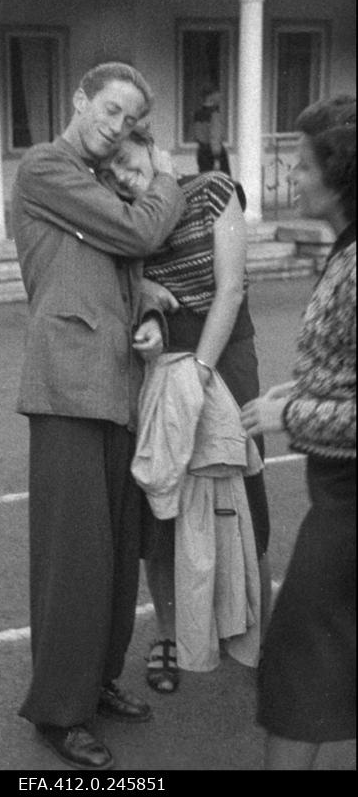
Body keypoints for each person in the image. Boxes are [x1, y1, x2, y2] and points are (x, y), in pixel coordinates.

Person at [12, 62, 186, 771]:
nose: (116, 126)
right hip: (65, 390)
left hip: (111, 387)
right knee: (72, 563)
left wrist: (144, 308)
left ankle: (95, 679)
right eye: (109, 110)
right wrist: (168, 177)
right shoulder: (46, 166)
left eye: (127, 118)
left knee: (113, 554)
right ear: (79, 99)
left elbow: (113, 269)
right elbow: (136, 232)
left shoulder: (92, 180)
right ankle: (58, 711)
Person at [104, 126, 271, 692]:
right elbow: (133, 291)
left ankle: (254, 634)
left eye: (129, 164)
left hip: (224, 355)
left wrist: (200, 369)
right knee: (163, 500)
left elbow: (230, 290)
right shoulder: (128, 221)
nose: (126, 180)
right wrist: (149, 316)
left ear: (154, 148)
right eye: (114, 176)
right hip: (164, 363)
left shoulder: (212, 190)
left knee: (244, 492)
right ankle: (171, 635)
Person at [241, 95, 356, 770]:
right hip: (337, 491)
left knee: (296, 656)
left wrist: (290, 414)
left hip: (348, 499)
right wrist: (304, 391)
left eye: (302, 164)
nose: (293, 178)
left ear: (339, 173)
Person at [193, 87, 231, 176]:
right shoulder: (215, 114)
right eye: (217, 94)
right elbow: (215, 136)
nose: (220, 97)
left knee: (204, 180)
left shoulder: (197, 114)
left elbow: (197, 135)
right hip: (213, 154)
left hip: (202, 152)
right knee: (223, 182)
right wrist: (217, 158)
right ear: (210, 97)